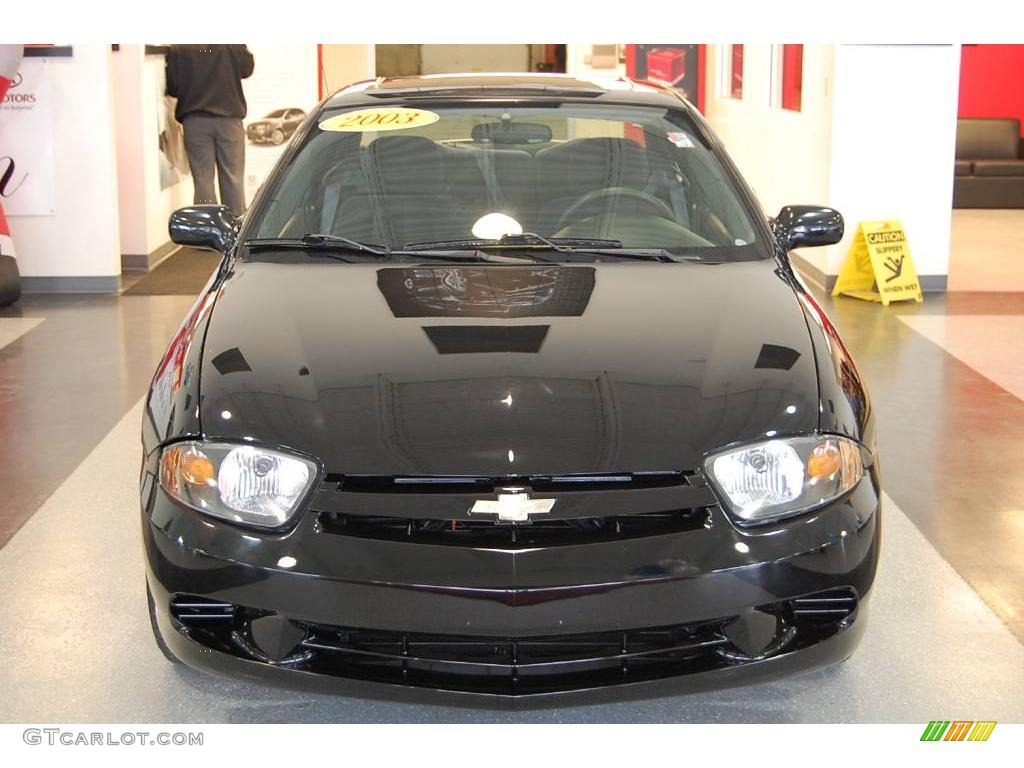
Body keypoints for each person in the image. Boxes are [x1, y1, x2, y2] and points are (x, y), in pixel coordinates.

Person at [166, 45, 254, 217]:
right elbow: (247, 69)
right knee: (233, 178)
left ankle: (207, 231)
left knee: (203, 180)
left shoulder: (179, 49)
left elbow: (173, 88)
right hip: (229, 119)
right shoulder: (231, 43)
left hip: (195, 121)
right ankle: (234, 228)